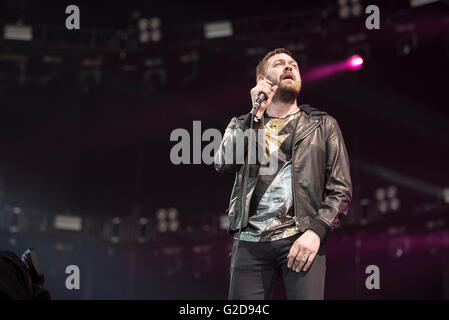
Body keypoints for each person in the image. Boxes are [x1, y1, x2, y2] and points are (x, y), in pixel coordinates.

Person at [214, 48, 352, 300]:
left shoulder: (322, 125)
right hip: (249, 243)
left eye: (294, 65)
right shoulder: (241, 123)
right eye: (279, 64)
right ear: (261, 81)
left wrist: (315, 232)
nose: (289, 67)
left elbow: (340, 189)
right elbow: (224, 162)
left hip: (301, 238)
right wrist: (254, 115)